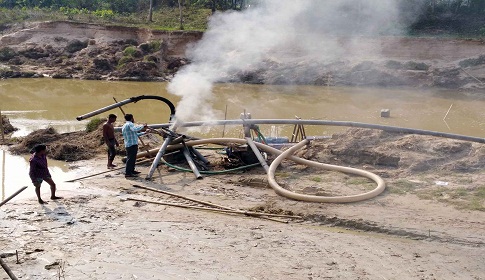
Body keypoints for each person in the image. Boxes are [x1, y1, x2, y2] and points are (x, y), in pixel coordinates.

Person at [121, 114, 148, 178]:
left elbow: (135, 134)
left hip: (129, 144)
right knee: (130, 159)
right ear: (131, 118)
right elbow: (135, 129)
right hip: (132, 144)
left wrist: (145, 133)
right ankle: (128, 173)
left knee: (132, 158)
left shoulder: (124, 125)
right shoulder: (130, 124)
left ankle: (131, 171)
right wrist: (142, 126)